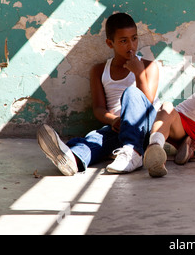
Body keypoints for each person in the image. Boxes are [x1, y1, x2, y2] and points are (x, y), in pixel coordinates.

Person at [36, 12, 160, 175]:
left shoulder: (149, 67)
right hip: (117, 129)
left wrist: (139, 74)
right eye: (123, 41)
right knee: (96, 139)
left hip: (143, 129)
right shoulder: (100, 70)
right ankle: (73, 158)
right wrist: (114, 120)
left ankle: (133, 152)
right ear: (110, 43)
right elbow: (99, 109)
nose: (131, 45)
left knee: (131, 92)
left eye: (134, 38)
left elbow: (148, 102)